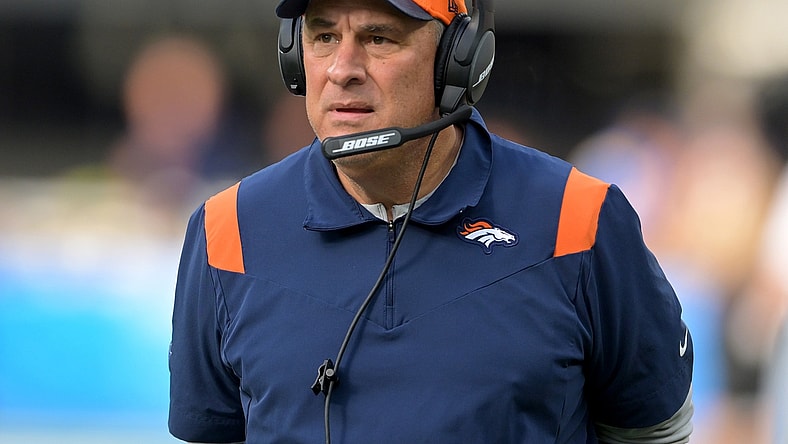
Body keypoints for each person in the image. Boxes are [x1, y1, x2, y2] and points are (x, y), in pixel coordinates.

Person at [168, 0, 694, 443]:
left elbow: (652, 429)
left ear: (457, 61)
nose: (341, 68)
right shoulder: (225, 230)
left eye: (378, 38)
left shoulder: (580, 218)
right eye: (323, 36)